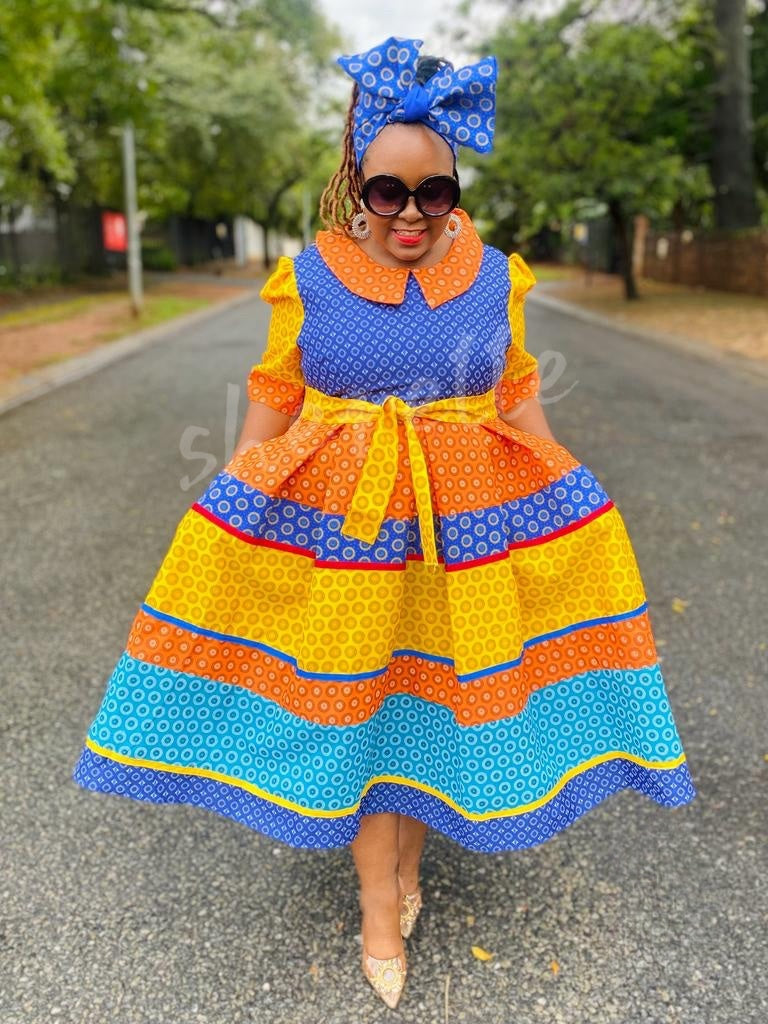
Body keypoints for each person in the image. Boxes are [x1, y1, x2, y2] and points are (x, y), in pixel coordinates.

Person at [72, 37, 697, 1012]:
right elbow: (273, 397)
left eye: (433, 193)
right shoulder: (310, 277)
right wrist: (231, 505)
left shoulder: (493, 276)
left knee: (425, 703)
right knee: (362, 706)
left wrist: (576, 498)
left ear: (454, 191)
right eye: (388, 192)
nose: (410, 214)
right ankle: (378, 908)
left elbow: (519, 396)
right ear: (355, 185)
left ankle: (407, 871)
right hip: (347, 540)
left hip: (463, 538)